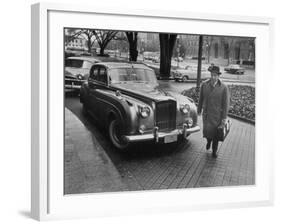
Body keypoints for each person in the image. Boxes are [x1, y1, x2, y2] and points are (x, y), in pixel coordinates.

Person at [197, 65, 230, 158]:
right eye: (212, 75)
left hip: (217, 115)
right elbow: (201, 98)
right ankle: (208, 141)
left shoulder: (224, 87)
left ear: (218, 76)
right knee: (207, 132)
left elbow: (226, 104)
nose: (213, 77)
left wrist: (224, 118)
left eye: (215, 75)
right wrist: (199, 109)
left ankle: (214, 151)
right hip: (207, 114)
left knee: (216, 134)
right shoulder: (204, 85)